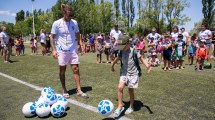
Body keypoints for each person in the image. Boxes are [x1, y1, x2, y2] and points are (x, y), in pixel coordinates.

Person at [50, 4, 88, 99]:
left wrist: (80, 44)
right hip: (61, 51)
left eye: (72, 15)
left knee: (76, 69)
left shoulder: (74, 22)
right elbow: (52, 37)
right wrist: (54, 50)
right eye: (69, 15)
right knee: (62, 70)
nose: (71, 17)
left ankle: (79, 90)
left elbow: (78, 34)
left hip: (73, 50)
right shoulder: (56, 23)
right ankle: (64, 89)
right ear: (65, 13)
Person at [111, 34, 151, 118]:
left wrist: (147, 66)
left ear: (129, 43)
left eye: (123, 46)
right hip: (124, 72)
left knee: (130, 90)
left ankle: (131, 106)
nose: (121, 47)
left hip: (133, 74)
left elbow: (141, 59)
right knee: (120, 88)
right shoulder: (121, 51)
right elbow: (117, 58)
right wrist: (112, 65)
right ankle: (119, 106)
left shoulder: (134, 51)